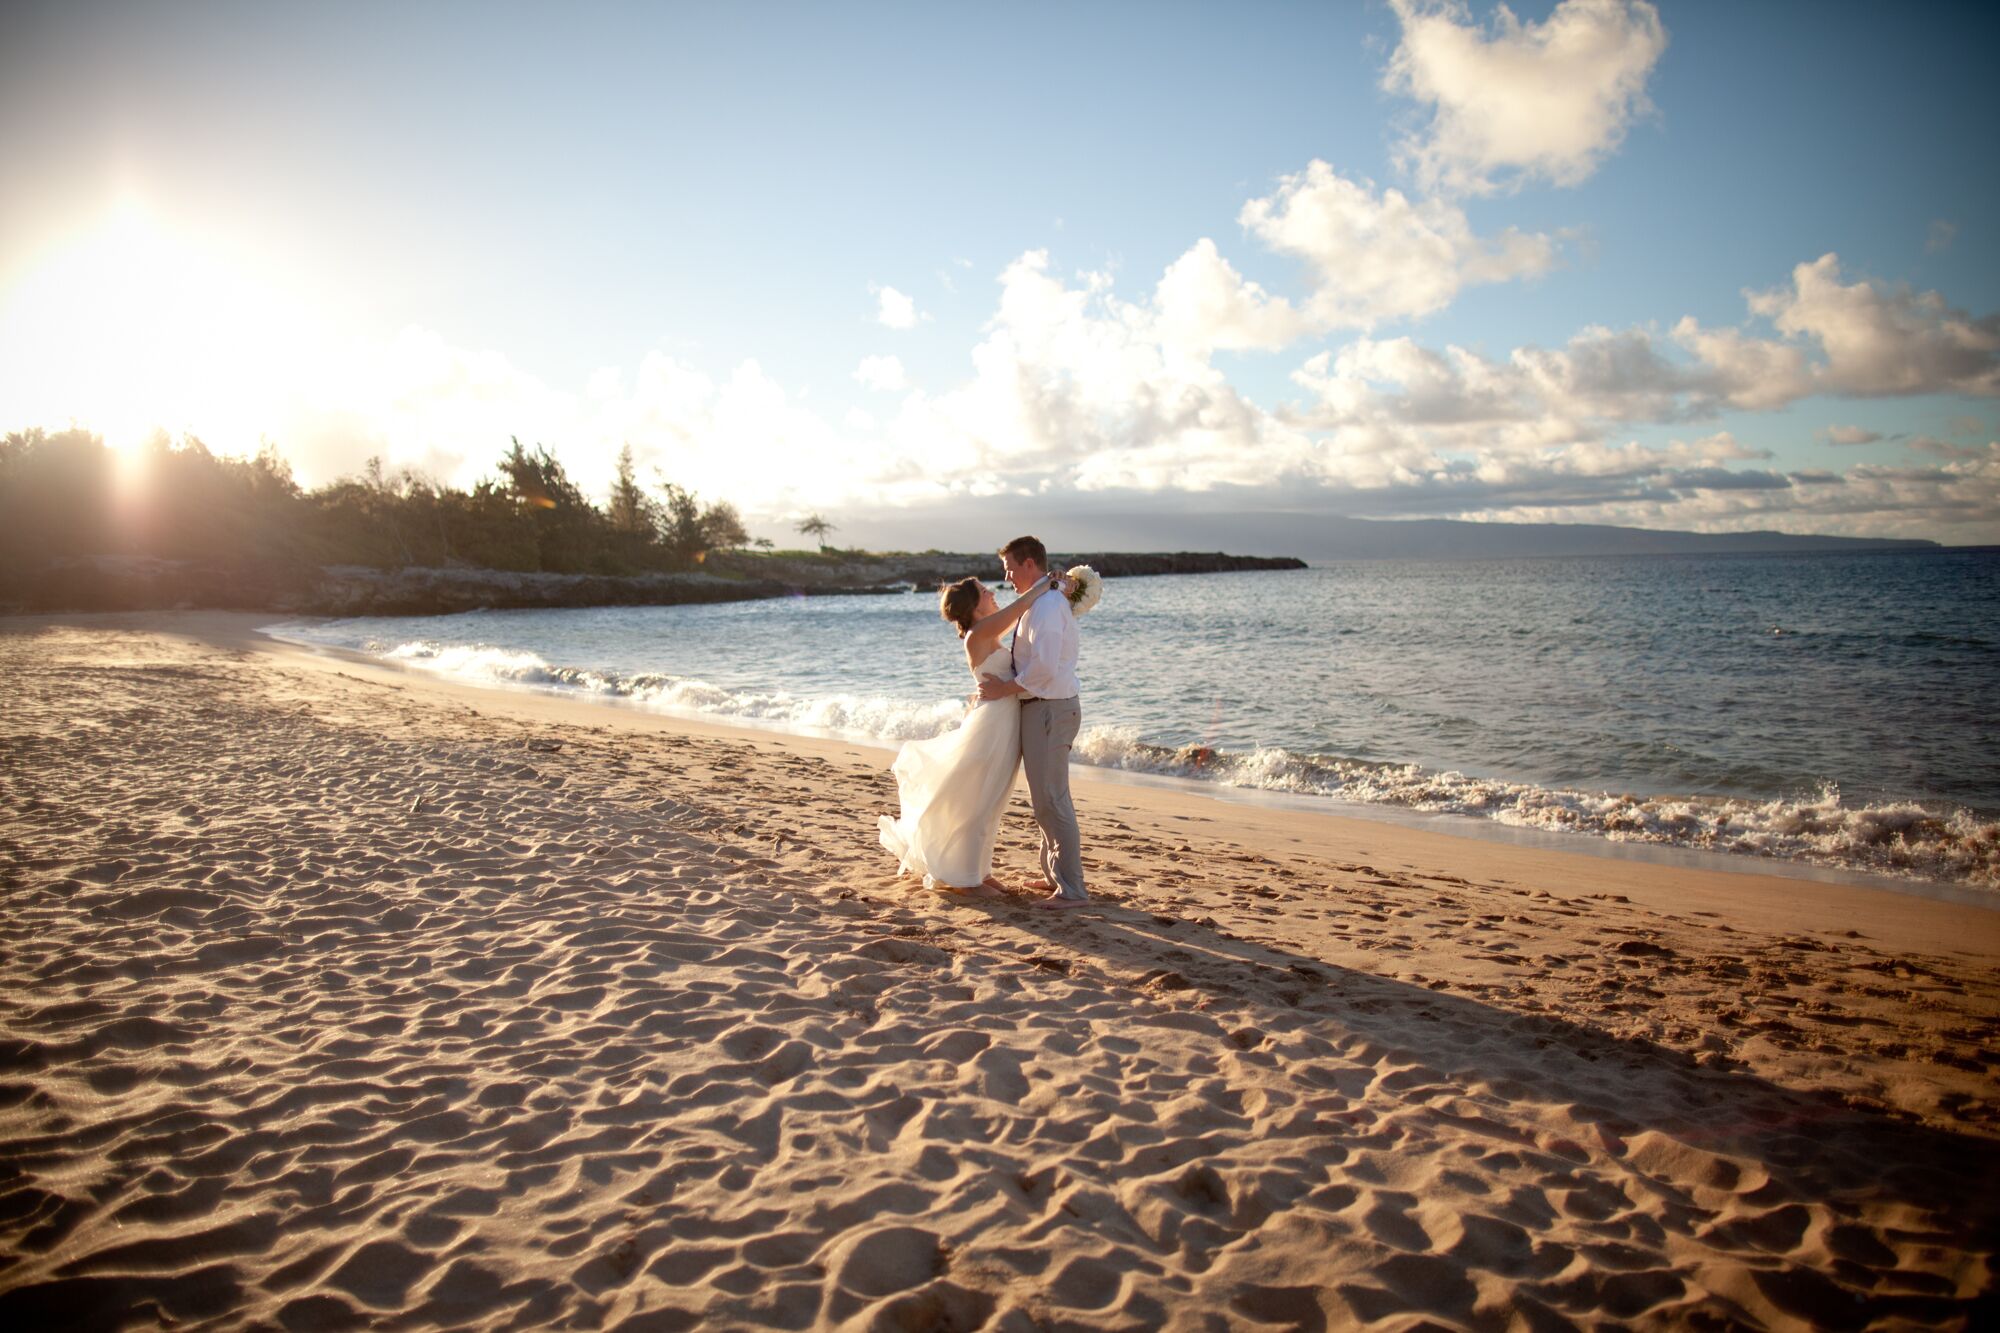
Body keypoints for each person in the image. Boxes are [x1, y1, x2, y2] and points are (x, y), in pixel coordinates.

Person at [877, 568, 1069, 897]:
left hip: (1002, 723)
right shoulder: (977, 634)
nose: (992, 593)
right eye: (984, 591)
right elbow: (1018, 608)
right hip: (992, 728)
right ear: (975, 606)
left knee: (992, 800)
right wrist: (1047, 584)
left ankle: (979, 871)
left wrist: (1058, 593)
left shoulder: (985, 634)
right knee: (979, 801)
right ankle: (965, 877)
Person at [976, 536, 1086, 908]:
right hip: (1041, 708)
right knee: (1045, 799)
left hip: (1050, 709)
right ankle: (1054, 877)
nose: (1006, 575)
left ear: (1028, 564)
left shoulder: (1049, 606)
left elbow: (1044, 666)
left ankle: (1072, 891)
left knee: (1052, 800)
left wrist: (1004, 689)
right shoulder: (1042, 599)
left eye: (1009, 566)